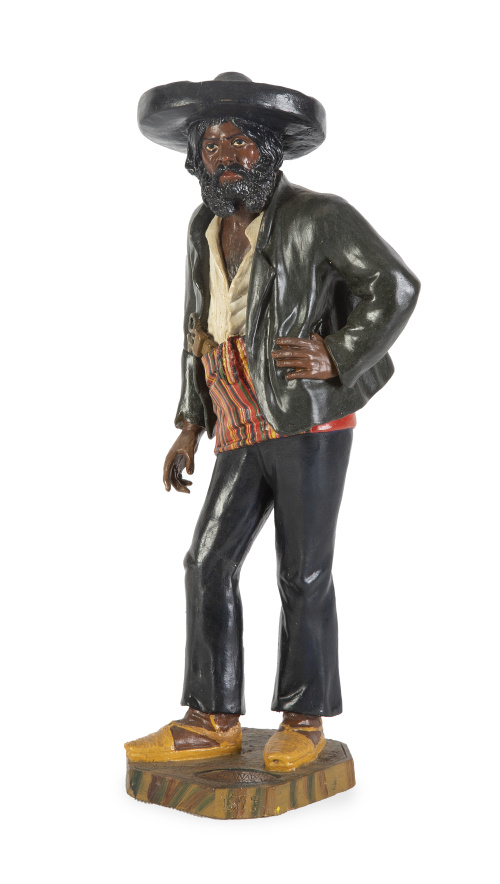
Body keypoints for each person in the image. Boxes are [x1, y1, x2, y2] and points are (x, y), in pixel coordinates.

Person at [125, 73, 420, 772]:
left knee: (303, 572)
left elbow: (395, 285)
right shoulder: (203, 226)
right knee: (207, 562)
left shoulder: (320, 216)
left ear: (270, 151)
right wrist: (189, 422)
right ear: (194, 158)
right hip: (236, 418)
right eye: (212, 143)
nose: (227, 155)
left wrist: (335, 354)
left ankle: (304, 716)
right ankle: (212, 717)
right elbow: (197, 327)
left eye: (242, 143)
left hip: (306, 420)